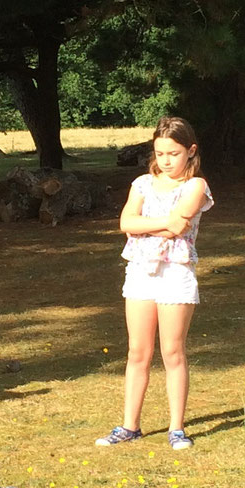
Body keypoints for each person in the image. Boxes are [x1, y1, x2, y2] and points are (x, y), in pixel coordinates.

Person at [95, 117, 212, 452]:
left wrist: (143, 226)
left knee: (172, 351)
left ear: (190, 151)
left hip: (175, 273)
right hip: (141, 272)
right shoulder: (142, 183)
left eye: (173, 153)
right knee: (137, 352)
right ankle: (129, 425)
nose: (165, 160)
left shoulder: (195, 187)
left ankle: (177, 428)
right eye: (160, 153)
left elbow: (178, 228)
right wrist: (158, 223)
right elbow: (125, 222)